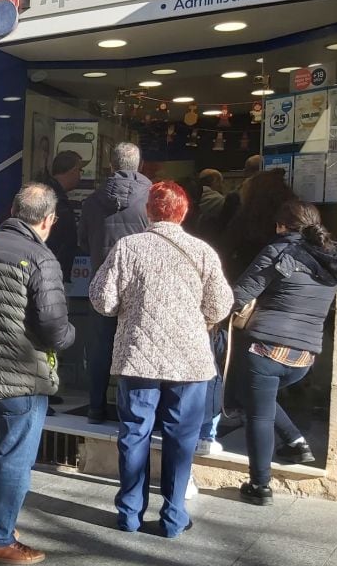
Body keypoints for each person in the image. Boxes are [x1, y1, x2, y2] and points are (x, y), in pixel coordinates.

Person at [89, 181, 233, 537]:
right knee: (181, 438)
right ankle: (173, 516)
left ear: (148, 211)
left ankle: (129, 513)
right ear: (184, 213)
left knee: (134, 432)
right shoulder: (202, 251)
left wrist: (130, 307)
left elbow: (103, 301)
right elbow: (220, 306)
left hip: (139, 356)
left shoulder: (128, 247)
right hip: (189, 360)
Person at [0, 183, 75, 565]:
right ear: (48, 220)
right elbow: (54, 327)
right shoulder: (41, 258)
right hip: (20, 375)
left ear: (12, 210)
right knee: (15, 458)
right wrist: (71, 337)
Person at [233, 201, 337, 506]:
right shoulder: (336, 259)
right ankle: (296, 442)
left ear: (281, 226)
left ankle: (260, 485)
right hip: (304, 356)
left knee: (258, 413)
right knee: (257, 398)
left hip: (266, 348)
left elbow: (240, 294)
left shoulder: (279, 251)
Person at [78, 142, 151, 424]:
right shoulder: (151, 200)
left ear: (111, 165)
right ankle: (131, 411)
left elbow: (83, 242)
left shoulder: (92, 201)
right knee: (138, 345)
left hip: (103, 281)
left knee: (100, 347)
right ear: (140, 165)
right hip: (141, 286)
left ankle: (95, 408)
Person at [44, 150, 85, 283]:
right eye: (80, 170)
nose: (80, 176)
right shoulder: (51, 198)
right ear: (73, 171)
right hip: (50, 272)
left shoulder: (53, 194)